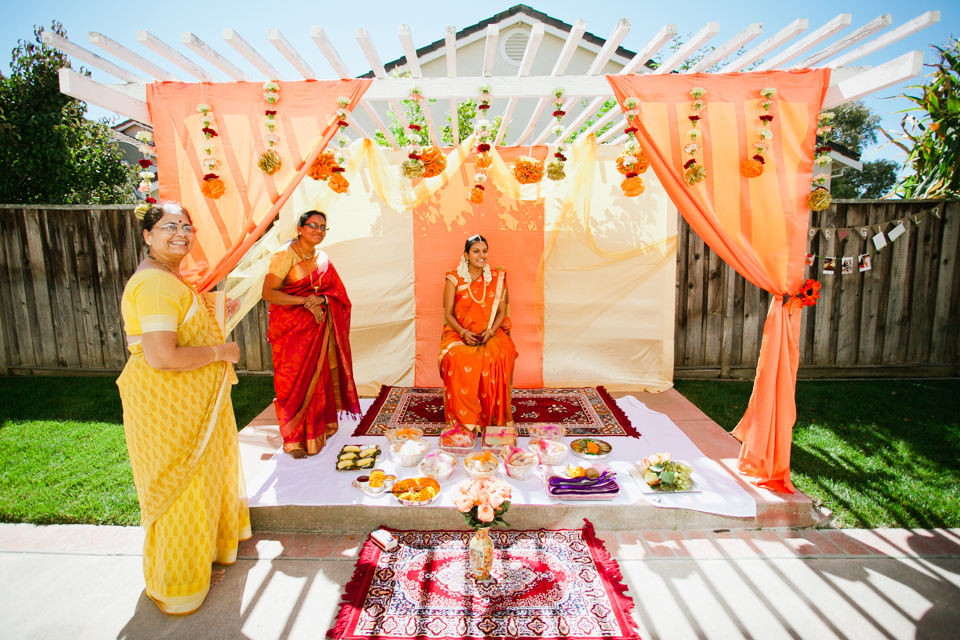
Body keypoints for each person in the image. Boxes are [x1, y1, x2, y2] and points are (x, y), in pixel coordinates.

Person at [117, 201, 250, 615]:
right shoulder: (156, 283)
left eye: (187, 226)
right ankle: (178, 585)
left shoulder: (167, 277)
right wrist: (222, 350)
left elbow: (178, 321)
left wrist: (209, 310)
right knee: (181, 492)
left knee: (199, 485)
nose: (181, 232)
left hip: (184, 407)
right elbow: (163, 357)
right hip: (166, 409)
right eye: (169, 225)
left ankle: (198, 561)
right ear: (147, 235)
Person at [262, 210, 360, 458]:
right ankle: (294, 439)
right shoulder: (283, 256)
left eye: (323, 227)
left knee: (319, 380)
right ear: (300, 228)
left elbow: (339, 295)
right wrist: (306, 301)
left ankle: (319, 429)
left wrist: (322, 299)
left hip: (318, 330)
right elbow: (269, 293)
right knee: (293, 384)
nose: (318, 230)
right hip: (291, 332)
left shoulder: (323, 258)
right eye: (313, 225)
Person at [439, 234, 518, 437]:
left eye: (484, 251)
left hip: (490, 332)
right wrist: (464, 332)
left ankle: (491, 417)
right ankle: (465, 421)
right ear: (466, 254)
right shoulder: (454, 278)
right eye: (476, 251)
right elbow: (448, 314)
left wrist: (490, 332)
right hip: (459, 332)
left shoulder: (495, 277)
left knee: (502, 354)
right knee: (455, 357)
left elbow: (500, 312)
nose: (481, 255)